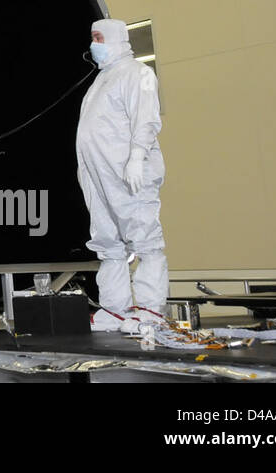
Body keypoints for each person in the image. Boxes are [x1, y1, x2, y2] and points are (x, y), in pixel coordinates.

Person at [76, 18, 169, 334]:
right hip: (99, 175)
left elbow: (146, 118)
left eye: (99, 38)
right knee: (107, 241)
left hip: (128, 173)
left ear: (117, 38)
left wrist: (137, 156)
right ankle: (115, 310)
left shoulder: (137, 74)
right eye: (92, 38)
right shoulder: (101, 80)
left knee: (144, 237)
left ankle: (149, 309)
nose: (93, 44)